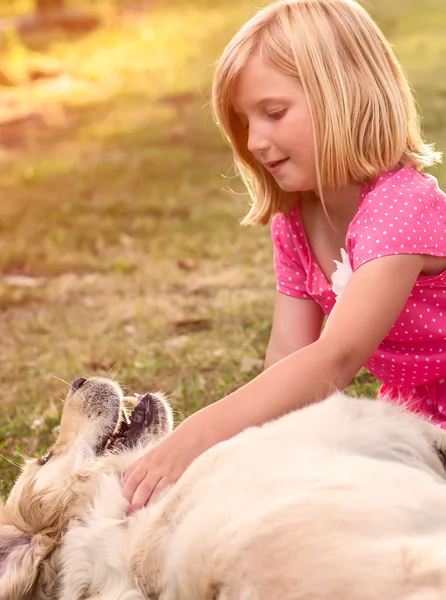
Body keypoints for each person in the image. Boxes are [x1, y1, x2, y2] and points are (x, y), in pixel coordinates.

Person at [123, 0, 446, 513]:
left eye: (273, 114)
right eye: (243, 122)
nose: (255, 142)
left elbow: (334, 359)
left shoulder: (403, 205)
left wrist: (198, 435)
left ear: (345, 95)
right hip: (416, 416)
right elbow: (289, 361)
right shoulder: (294, 222)